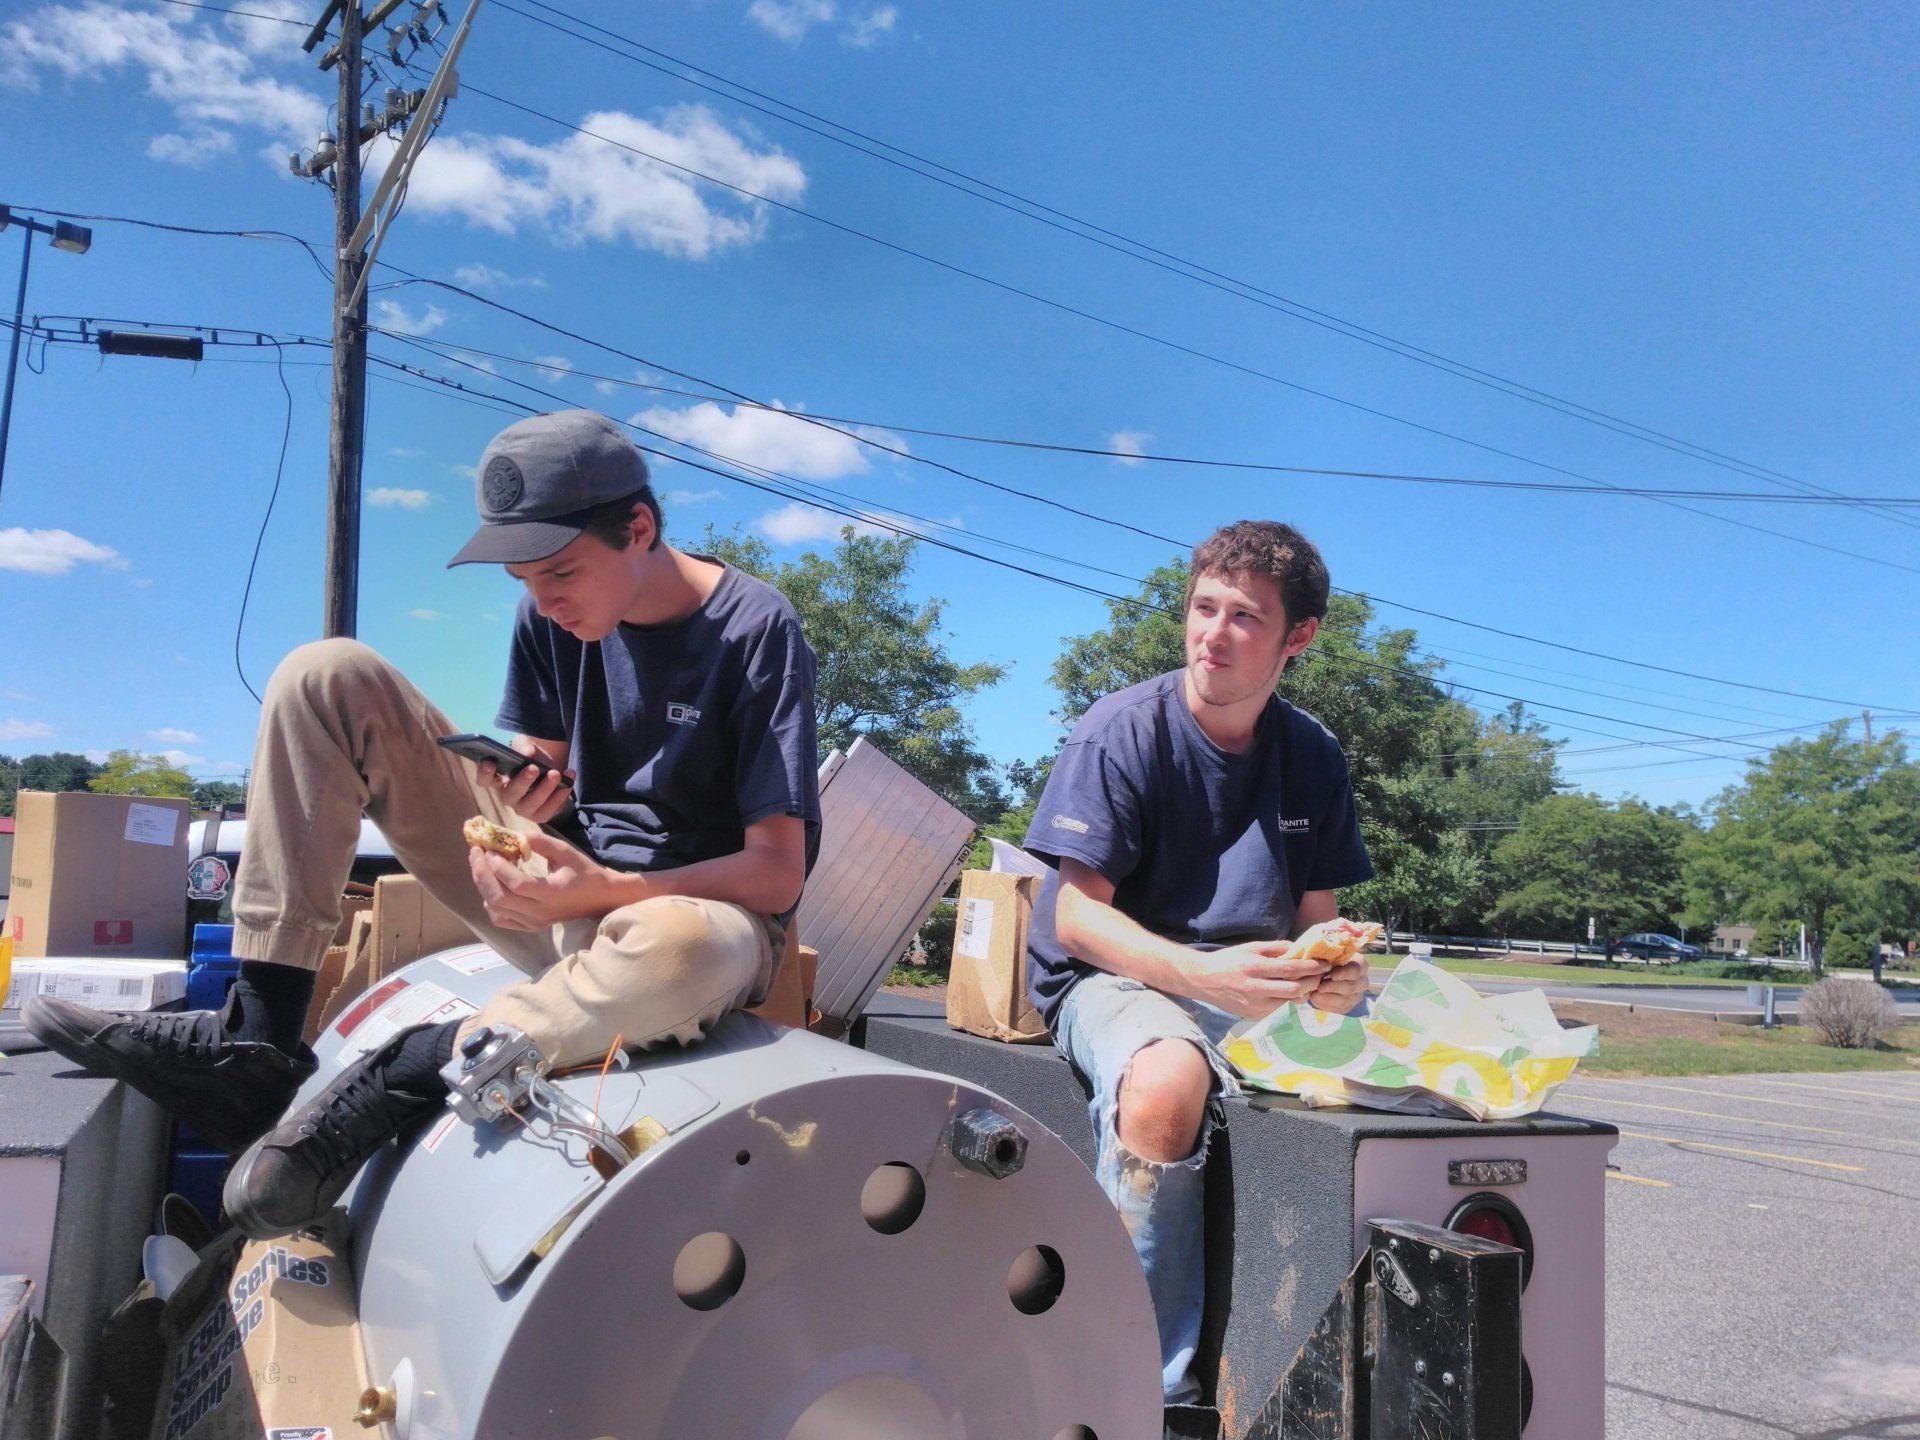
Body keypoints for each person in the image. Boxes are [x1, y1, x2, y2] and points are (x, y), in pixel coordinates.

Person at [27, 409, 820, 1239]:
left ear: (640, 528)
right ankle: (257, 1041)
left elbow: (777, 873)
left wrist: (607, 887)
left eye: (559, 574)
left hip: (697, 922)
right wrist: (520, 818)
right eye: (522, 584)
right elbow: (544, 767)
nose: (544, 605)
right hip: (568, 895)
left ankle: (418, 1064)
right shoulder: (549, 620)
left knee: (677, 948)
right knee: (323, 674)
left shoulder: (757, 629)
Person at [1022, 519, 1373, 1404]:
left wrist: (1336, 976)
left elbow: (1316, 919)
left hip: (1245, 984)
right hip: (1115, 973)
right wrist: (1200, 976)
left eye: (1244, 616)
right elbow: (1076, 918)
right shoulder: (1121, 732)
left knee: (1396, 1079)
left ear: (1299, 637)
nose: (1213, 633)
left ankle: (1337, 1388)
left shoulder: (1315, 754)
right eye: (1203, 608)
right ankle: (1135, 1393)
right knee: (1168, 1081)